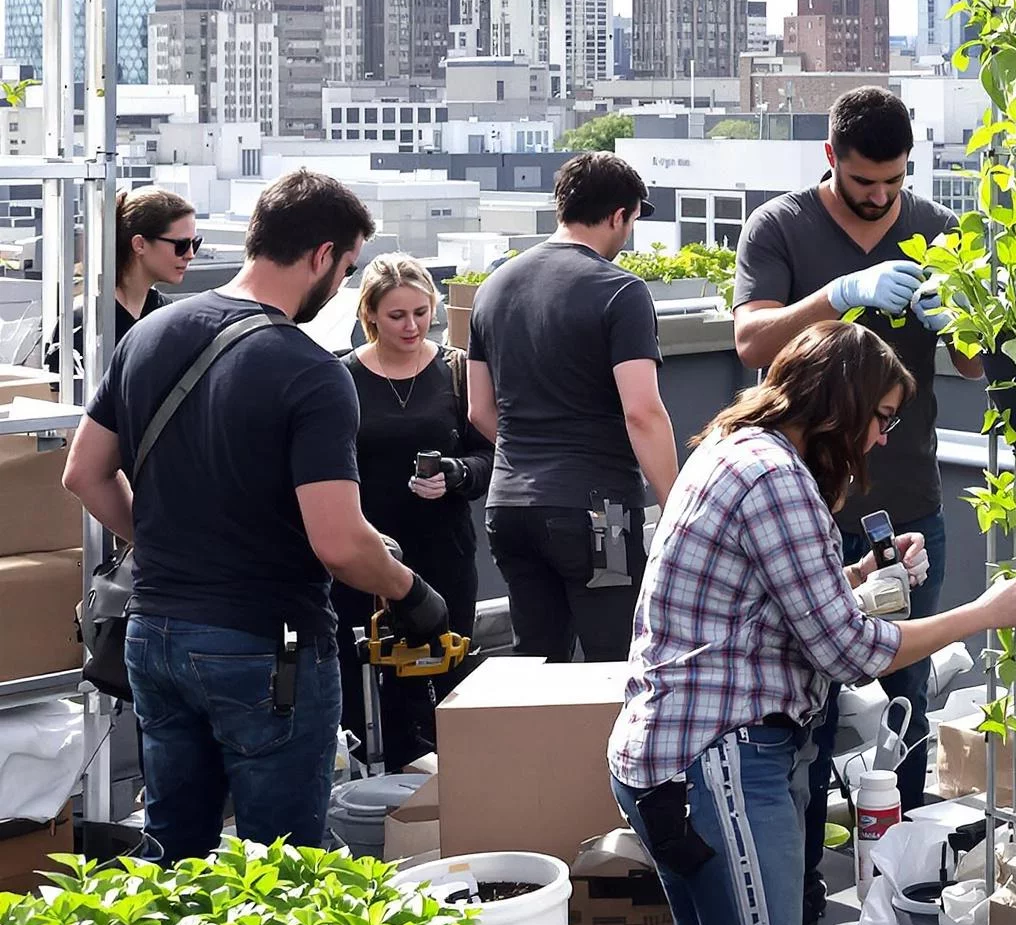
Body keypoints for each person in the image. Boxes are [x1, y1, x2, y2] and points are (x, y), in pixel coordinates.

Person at [608, 321, 1016, 925]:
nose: (879, 438)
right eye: (880, 418)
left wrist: (857, 575)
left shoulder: (733, 448)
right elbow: (851, 651)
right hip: (719, 762)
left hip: (669, 757)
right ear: (841, 400)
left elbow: (766, 602)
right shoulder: (775, 479)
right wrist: (984, 612)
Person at [61, 169, 451, 861]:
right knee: (285, 871)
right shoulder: (311, 372)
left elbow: (84, 473)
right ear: (323, 255)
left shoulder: (152, 333)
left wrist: (160, 543)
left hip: (154, 635)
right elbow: (337, 542)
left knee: (173, 858)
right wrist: (409, 592)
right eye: (347, 267)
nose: (340, 286)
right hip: (266, 647)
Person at [732, 86, 981, 925]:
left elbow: (980, 364)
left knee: (909, 697)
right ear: (831, 158)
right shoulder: (782, 228)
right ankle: (796, 895)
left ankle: (906, 892)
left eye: (895, 181)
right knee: (801, 708)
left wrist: (963, 325)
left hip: (906, 503)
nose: (881, 197)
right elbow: (752, 344)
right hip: (802, 504)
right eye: (865, 181)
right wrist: (839, 292)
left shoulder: (942, 228)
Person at [467, 152, 679, 663]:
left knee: (537, 666)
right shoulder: (619, 290)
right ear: (618, 215)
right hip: (597, 513)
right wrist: (678, 501)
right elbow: (642, 412)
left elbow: (478, 409)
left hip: (509, 509)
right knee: (616, 665)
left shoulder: (493, 288)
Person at [337, 255, 493, 770]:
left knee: (446, 677)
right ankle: (380, 795)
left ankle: (450, 794)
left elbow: (494, 454)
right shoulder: (342, 376)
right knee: (367, 685)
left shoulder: (456, 370)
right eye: (398, 315)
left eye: (422, 313)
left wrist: (457, 473)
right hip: (365, 555)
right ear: (371, 315)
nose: (411, 326)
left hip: (442, 551)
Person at [44, 185, 198, 375]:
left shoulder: (171, 316)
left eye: (195, 243)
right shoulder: (82, 322)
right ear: (139, 244)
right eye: (181, 245)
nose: (190, 255)